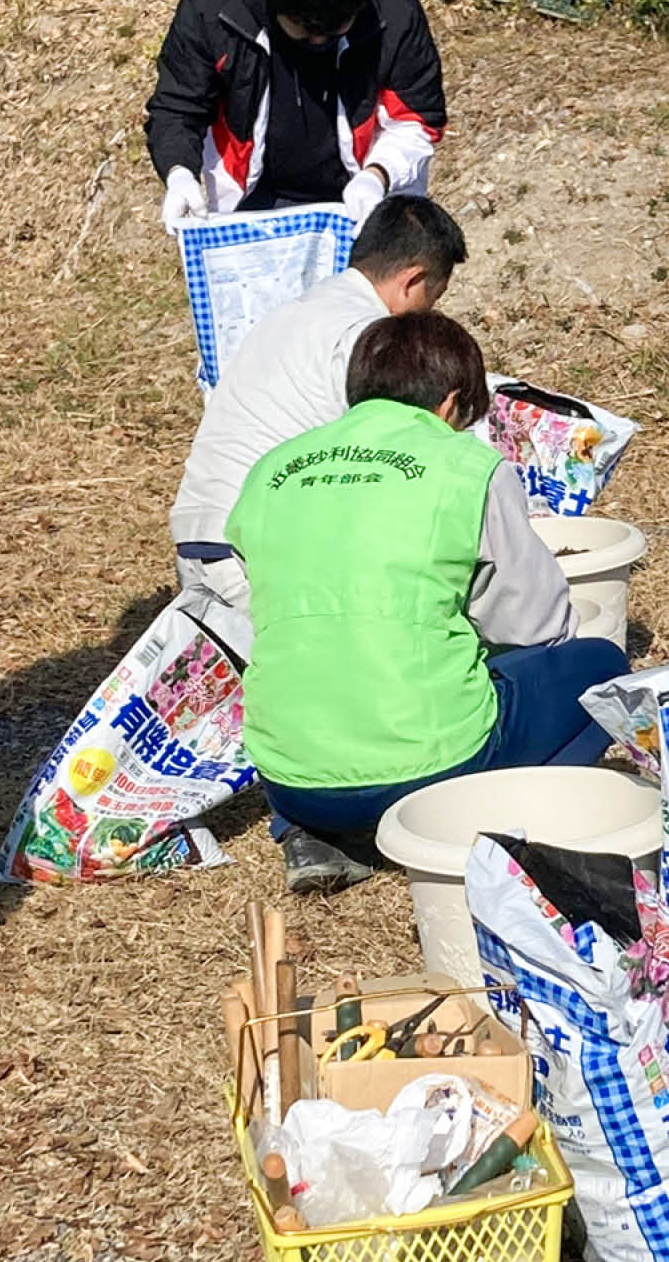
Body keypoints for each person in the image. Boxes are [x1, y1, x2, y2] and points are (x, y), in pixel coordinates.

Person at [226, 313, 630, 891]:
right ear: (451, 403)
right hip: (433, 765)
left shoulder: (272, 471)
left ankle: (314, 832)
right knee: (600, 669)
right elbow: (533, 624)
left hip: (291, 776)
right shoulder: (467, 468)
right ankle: (488, 817)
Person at [168, 195, 468, 623]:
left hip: (201, 534)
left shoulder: (296, 310)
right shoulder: (369, 338)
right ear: (412, 280)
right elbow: (398, 458)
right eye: (432, 298)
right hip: (252, 553)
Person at [146, 0, 446, 225]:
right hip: (254, 192)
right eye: (305, 30)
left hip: (362, 189)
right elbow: (178, 106)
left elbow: (418, 117)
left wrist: (378, 175)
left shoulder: (392, 11)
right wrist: (179, 171)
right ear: (273, 3)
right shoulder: (215, 6)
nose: (318, 41)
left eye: (333, 32)